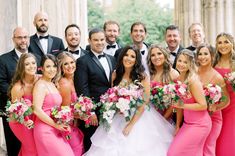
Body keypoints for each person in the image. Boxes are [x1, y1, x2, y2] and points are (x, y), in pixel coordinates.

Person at [85, 46, 174, 156]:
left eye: (133, 56)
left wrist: (131, 125)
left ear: (136, 60)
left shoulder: (143, 77)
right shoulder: (115, 74)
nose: (128, 58)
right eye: (126, 55)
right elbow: (112, 95)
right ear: (122, 57)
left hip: (139, 118)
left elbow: (145, 102)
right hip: (118, 117)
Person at [74, 28, 116, 151]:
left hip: (112, 110)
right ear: (89, 41)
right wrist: (90, 112)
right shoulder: (82, 61)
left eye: (102, 39)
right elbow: (82, 88)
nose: (99, 42)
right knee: (93, 144)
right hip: (94, 114)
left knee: (108, 145)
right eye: (96, 40)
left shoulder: (112, 59)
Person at [167, 49, 212, 156]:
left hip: (200, 124)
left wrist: (182, 105)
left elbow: (203, 105)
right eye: (179, 61)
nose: (181, 64)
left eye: (185, 62)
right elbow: (178, 107)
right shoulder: (176, 80)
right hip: (187, 124)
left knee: (173, 153)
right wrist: (178, 125)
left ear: (190, 64)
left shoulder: (193, 81)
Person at [33, 54, 74, 156]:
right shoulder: (40, 85)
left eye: (54, 66)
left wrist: (63, 121)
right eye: (48, 66)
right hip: (45, 129)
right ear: (41, 68)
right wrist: (55, 124)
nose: (52, 69)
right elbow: (36, 109)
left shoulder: (52, 84)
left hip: (56, 127)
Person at [196, 43, 229, 156]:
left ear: (212, 56)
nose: (202, 57)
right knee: (196, 148)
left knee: (208, 148)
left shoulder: (217, 77)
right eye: (200, 54)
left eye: (206, 54)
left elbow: (226, 100)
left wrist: (215, 107)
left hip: (213, 118)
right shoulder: (193, 73)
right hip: (196, 118)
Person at [0, 27, 29, 156]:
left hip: (33, 110)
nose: (23, 40)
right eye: (19, 37)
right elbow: (1, 83)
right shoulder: (3, 59)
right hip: (12, 110)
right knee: (14, 146)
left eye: (25, 37)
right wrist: (18, 98)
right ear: (13, 39)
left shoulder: (37, 58)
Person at [147, 44, 183, 135]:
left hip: (167, 116)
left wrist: (164, 118)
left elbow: (178, 101)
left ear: (165, 55)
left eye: (159, 53)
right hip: (149, 116)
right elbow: (144, 95)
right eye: (153, 55)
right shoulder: (149, 74)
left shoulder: (173, 74)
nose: (156, 57)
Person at [8, 53, 39, 156]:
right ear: (22, 67)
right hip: (20, 121)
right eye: (27, 64)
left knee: (38, 146)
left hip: (36, 118)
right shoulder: (18, 88)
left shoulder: (40, 80)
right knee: (32, 149)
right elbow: (15, 111)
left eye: (33, 63)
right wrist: (25, 121)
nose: (31, 66)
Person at [57, 52, 84, 155]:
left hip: (76, 124)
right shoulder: (64, 83)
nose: (70, 66)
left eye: (72, 62)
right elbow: (64, 111)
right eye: (66, 64)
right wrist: (81, 114)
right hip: (69, 127)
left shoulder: (73, 79)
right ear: (60, 66)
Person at [213, 33, 235, 156]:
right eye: (219, 42)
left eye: (226, 42)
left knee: (229, 138)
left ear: (232, 43)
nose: (222, 45)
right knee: (216, 138)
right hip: (216, 107)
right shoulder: (212, 62)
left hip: (232, 107)